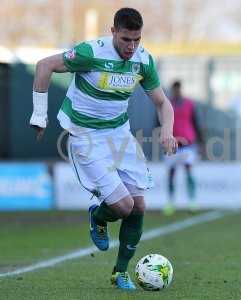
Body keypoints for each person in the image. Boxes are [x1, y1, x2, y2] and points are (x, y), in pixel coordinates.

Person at [29, 7, 177, 291]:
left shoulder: (143, 60)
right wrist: (39, 115)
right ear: (113, 32)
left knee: (139, 206)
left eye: (136, 40)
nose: (131, 47)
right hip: (86, 135)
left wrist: (168, 131)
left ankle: (119, 273)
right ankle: (98, 216)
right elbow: (44, 66)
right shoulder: (91, 53)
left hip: (119, 135)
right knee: (123, 206)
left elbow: (162, 102)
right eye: (125, 39)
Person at [163, 80, 204, 215]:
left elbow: (196, 123)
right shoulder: (167, 104)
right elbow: (159, 122)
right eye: (175, 89)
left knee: (188, 169)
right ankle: (170, 202)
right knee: (171, 173)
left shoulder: (189, 104)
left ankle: (192, 201)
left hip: (187, 144)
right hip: (172, 144)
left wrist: (201, 142)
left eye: (178, 89)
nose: (177, 91)